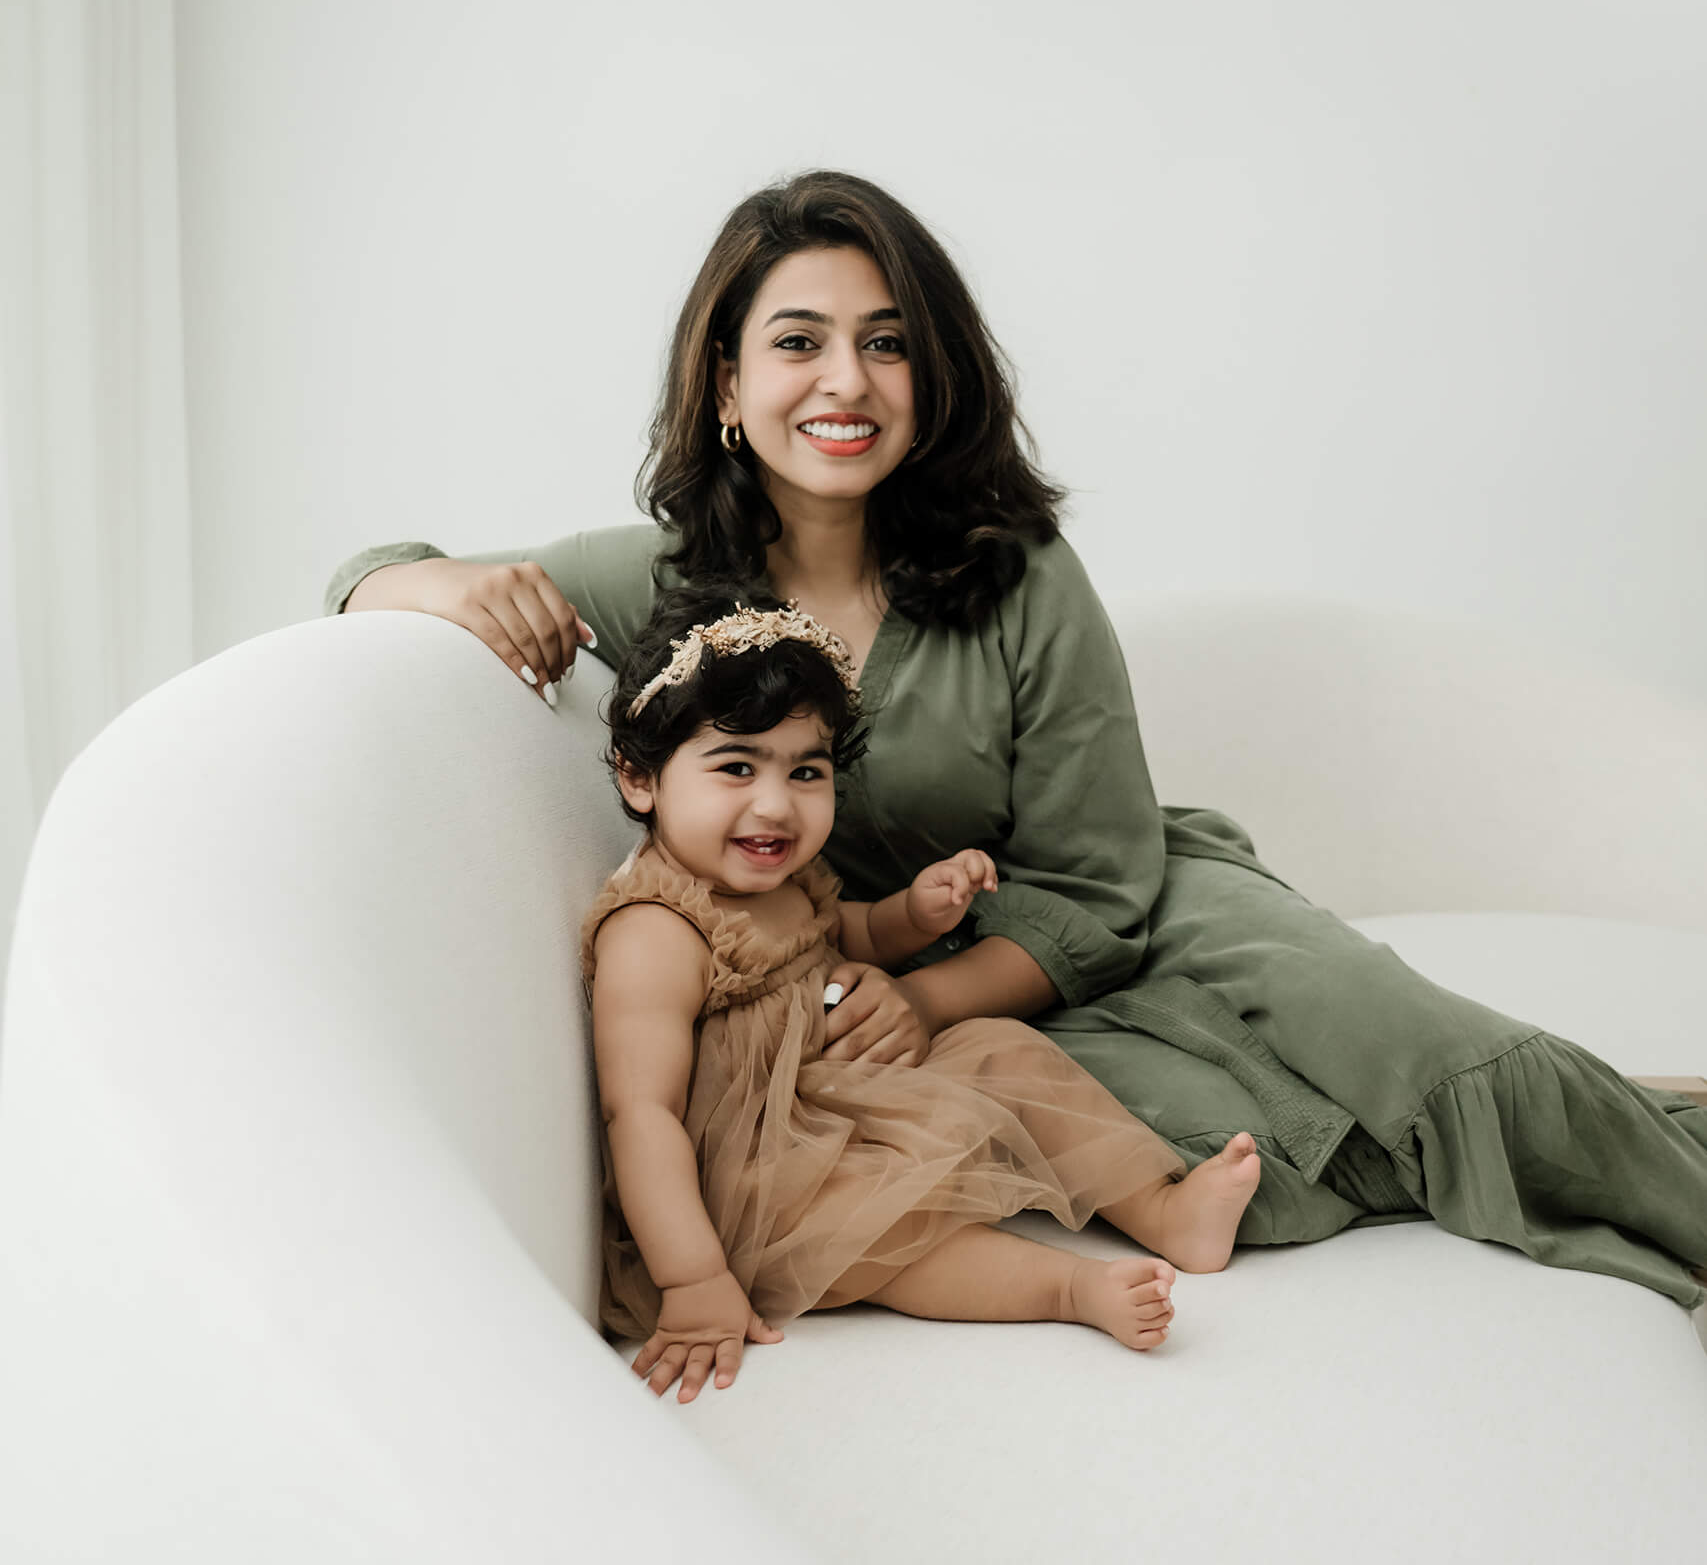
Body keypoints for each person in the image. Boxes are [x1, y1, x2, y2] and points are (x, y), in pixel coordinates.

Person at [327, 168, 1707, 1311]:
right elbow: (367, 574)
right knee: (1276, 1167)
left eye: (883, 342)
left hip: (1134, 918)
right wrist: (436, 586)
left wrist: (924, 998)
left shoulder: (1015, 569)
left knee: (1428, 1056)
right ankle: (1618, 1121)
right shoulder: (662, 581)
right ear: (728, 382)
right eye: (797, 341)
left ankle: (1619, 1147)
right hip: (938, 1009)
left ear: (929, 377)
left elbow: (1103, 881)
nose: (843, 381)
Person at [583, 583, 1267, 1400]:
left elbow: (853, 936)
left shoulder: (782, 879)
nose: (775, 804)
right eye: (735, 767)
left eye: (806, 770)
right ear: (639, 779)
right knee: (873, 1222)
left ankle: (1162, 1212)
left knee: (1001, 1049)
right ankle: (1064, 1289)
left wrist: (916, 910)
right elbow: (643, 1115)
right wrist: (692, 1280)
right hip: (757, 1172)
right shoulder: (656, 933)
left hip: (839, 1087)